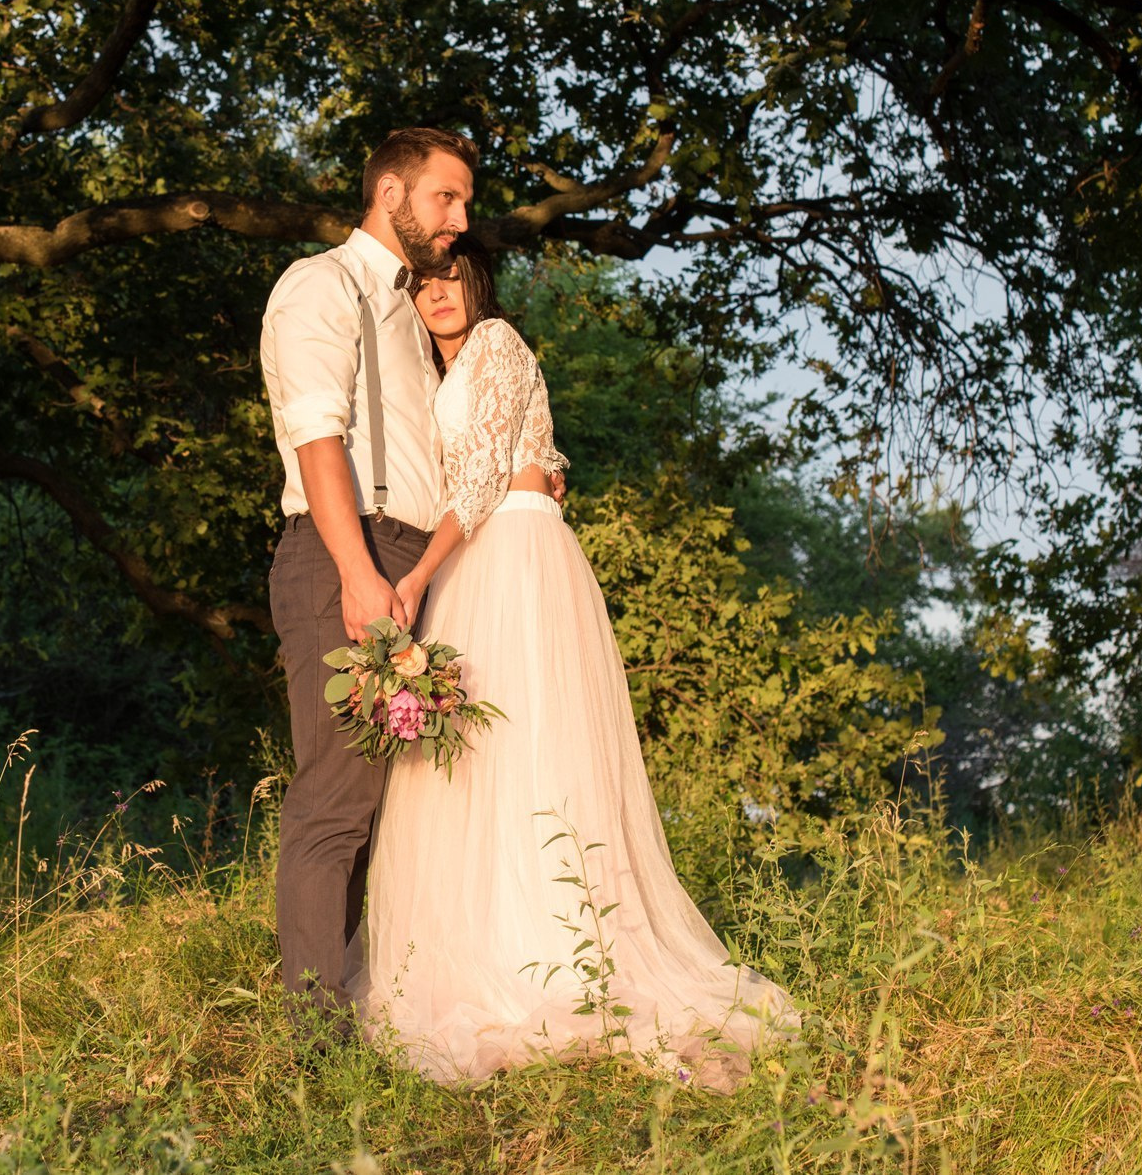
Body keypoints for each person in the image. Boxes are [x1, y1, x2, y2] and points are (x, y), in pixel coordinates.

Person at [360, 236, 799, 1089]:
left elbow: (485, 477)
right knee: (482, 767)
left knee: (532, 756)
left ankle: (557, 959)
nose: (439, 293)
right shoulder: (435, 371)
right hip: (482, 556)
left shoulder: (495, 342)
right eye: (424, 282)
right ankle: (498, 944)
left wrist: (412, 576)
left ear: (477, 283)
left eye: (453, 277)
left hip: (510, 550)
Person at [258, 126, 476, 1021]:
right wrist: (356, 570)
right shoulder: (325, 284)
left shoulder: (411, 317)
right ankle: (312, 1036)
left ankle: (356, 1006)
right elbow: (318, 435)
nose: (460, 220)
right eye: (446, 199)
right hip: (345, 550)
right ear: (390, 194)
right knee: (338, 801)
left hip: (408, 562)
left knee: (388, 811)